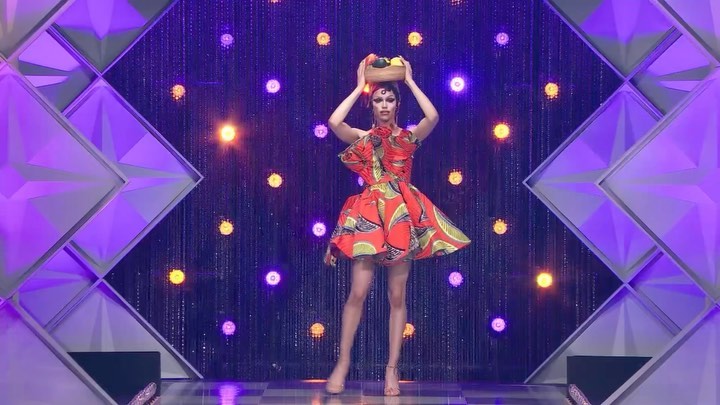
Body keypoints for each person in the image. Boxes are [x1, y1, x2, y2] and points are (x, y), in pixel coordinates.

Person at [323, 55, 471, 396]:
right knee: (358, 291)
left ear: (397, 104)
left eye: (390, 99)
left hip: (400, 216)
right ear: (372, 105)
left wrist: (410, 81)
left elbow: (433, 116)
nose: (384, 104)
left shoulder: (408, 137)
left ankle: (392, 369)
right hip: (369, 216)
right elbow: (334, 122)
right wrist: (360, 86)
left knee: (396, 295)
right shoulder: (362, 137)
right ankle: (342, 362)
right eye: (379, 99)